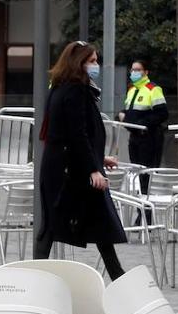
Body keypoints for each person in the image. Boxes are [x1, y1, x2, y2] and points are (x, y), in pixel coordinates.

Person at [35, 41, 127, 279]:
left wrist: (98, 158)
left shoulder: (60, 88)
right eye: (92, 61)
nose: (96, 66)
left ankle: (36, 275)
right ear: (79, 63)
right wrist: (93, 168)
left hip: (63, 167)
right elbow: (77, 132)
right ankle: (118, 276)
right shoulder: (75, 91)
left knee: (61, 225)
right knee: (92, 222)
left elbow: (74, 132)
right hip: (73, 171)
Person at [119, 59, 168, 194]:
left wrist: (142, 125)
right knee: (136, 175)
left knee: (146, 176)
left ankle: (147, 212)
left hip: (149, 138)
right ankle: (141, 212)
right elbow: (130, 112)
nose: (134, 72)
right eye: (133, 70)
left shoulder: (153, 89)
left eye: (138, 70)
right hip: (134, 138)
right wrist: (122, 114)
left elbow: (162, 113)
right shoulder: (132, 90)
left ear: (146, 72)